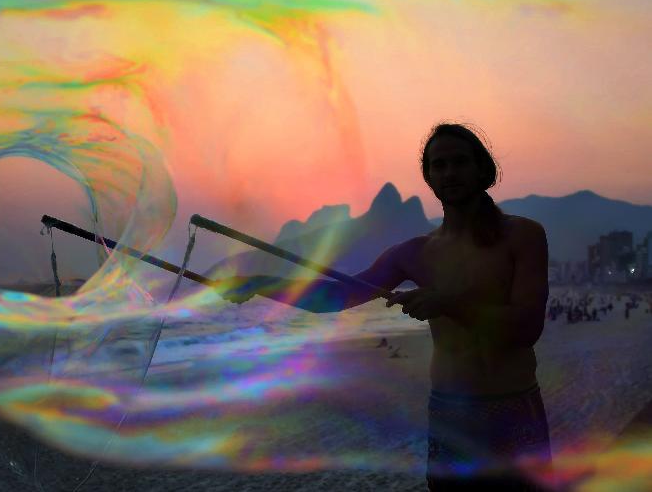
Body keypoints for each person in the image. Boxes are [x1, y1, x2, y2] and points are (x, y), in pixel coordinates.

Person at [218, 123, 551, 490]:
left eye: (459, 162)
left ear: (481, 169)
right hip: (450, 414)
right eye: (439, 165)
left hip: (514, 407)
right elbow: (338, 297)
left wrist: (449, 302)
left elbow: (527, 326)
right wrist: (263, 284)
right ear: (428, 177)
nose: (449, 172)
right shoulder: (414, 253)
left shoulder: (523, 235)